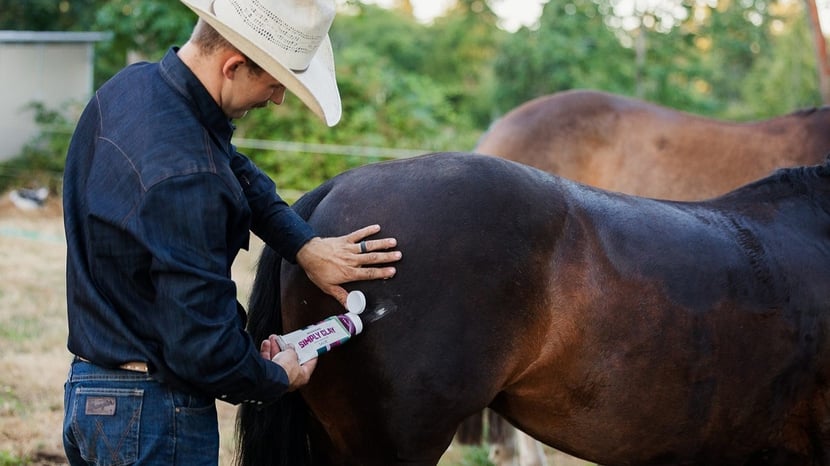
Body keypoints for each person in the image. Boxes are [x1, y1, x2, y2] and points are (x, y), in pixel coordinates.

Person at [61, 0, 401, 464]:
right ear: (234, 65)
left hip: (90, 397)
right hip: (155, 418)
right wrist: (279, 376)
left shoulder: (129, 90)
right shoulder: (189, 177)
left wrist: (302, 245)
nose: (277, 98)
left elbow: (233, 167)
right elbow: (206, 349)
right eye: (274, 83)